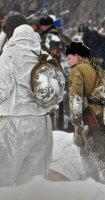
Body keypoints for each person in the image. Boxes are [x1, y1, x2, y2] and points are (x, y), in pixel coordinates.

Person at [0, 14, 53, 186]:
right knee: (34, 184)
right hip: (43, 124)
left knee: (4, 180)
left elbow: (2, 89)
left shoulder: (7, 56)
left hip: (12, 123)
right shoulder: (44, 55)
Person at [66, 41, 105, 186]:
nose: (67, 60)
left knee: (101, 162)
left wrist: (77, 125)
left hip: (90, 120)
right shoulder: (96, 68)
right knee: (103, 159)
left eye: (69, 56)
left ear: (77, 56)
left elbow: (76, 98)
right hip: (102, 118)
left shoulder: (77, 70)